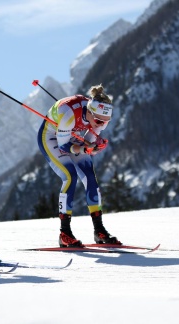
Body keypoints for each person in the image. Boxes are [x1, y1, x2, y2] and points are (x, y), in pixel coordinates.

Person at [37, 84, 122, 247]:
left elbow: (90, 139)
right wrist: (85, 148)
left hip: (69, 135)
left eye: (105, 122)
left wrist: (93, 147)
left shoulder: (99, 116)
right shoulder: (68, 113)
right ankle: (64, 234)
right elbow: (63, 147)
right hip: (51, 137)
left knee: (90, 177)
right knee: (70, 176)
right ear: (89, 112)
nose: (100, 125)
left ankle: (99, 230)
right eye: (97, 121)